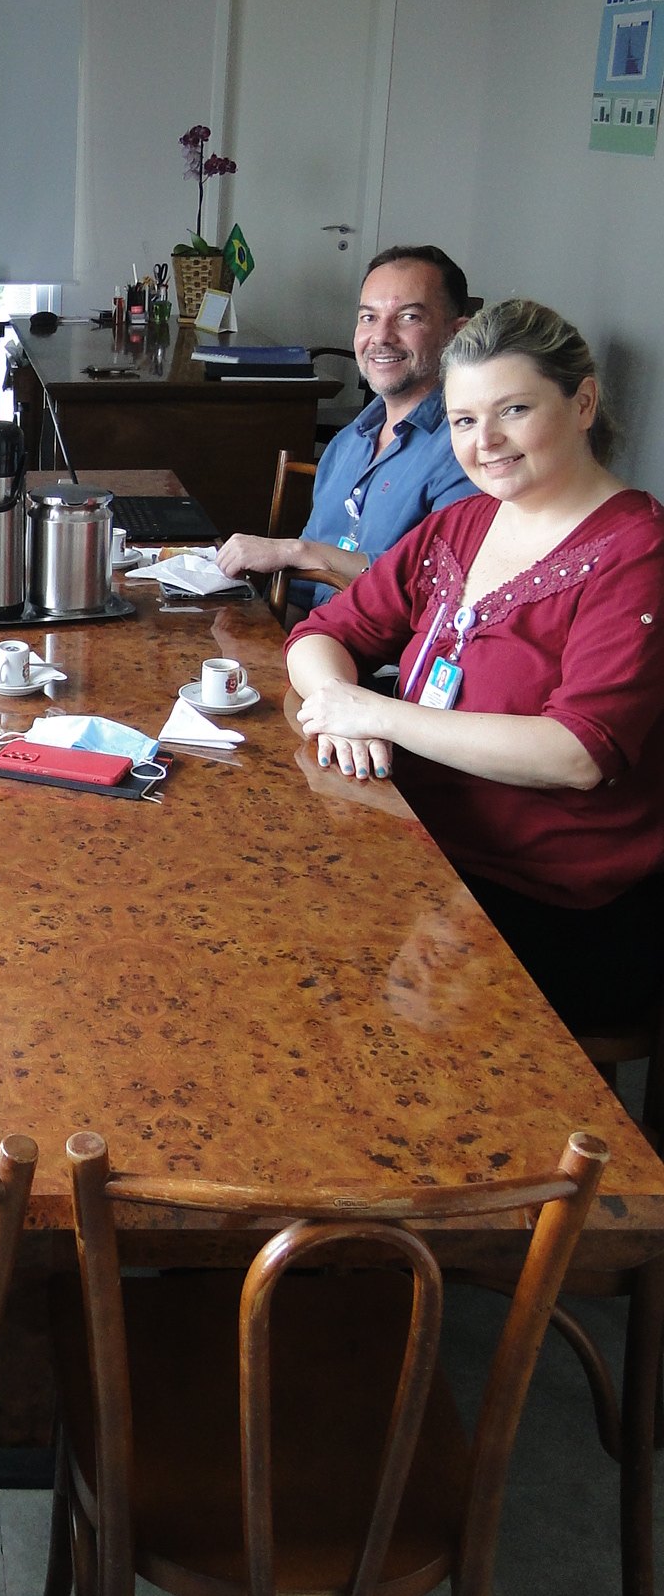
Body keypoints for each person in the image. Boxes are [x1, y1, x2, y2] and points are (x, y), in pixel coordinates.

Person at [285, 299, 664, 1035]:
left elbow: (580, 752)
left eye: (513, 410)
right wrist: (335, 695)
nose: (485, 442)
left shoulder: (637, 552)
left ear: (582, 401)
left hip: (552, 898)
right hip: (419, 847)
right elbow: (323, 631)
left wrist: (378, 714)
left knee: (347, 1009)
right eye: (463, 420)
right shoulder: (462, 524)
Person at [216, 245, 478, 610]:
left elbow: (436, 584)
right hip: (306, 643)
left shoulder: (468, 450)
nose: (381, 336)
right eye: (369, 317)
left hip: (378, 664)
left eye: (408, 318)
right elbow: (299, 594)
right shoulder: (348, 442)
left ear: (456, 334)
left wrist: (296, 551)